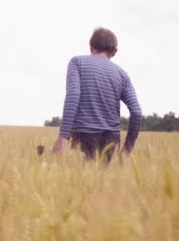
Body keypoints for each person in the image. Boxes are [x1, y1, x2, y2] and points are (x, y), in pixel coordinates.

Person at [52, 27, 142, 162]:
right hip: (112, 140)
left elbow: (73, 95)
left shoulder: (77, 63)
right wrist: (127, 148)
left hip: (83, 136)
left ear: (91, 47)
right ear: (115, 51)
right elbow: (136, 112)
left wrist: (63, 136)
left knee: (81, 182)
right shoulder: (122, 75)